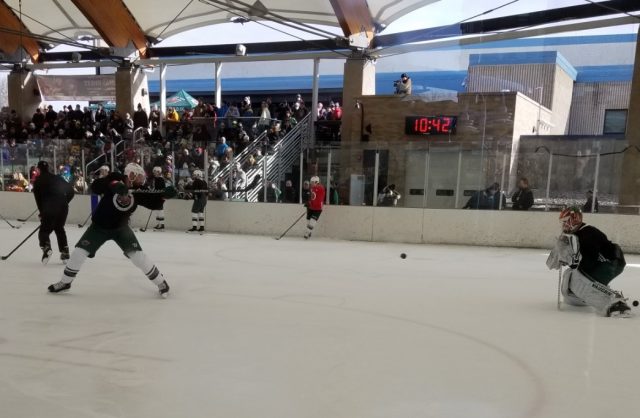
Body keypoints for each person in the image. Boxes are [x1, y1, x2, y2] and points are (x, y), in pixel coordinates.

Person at [47, 163, 176, 297]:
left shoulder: (139, 190)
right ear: (131, 175)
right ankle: (65, 282)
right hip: (99, 227)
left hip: (121, 229)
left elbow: (153, 203)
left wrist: (164, 196)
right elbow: (96, 186)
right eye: (139, 176)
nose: (141, 180)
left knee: (138, 257)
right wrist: (113, 184)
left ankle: (161, 283)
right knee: (79, 253)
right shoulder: (114, 178)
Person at [546, 207, 630, 317]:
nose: (564, 225)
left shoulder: (588, 234)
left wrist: (572, 262)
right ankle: (582, 296)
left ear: (575, 220)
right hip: (606, 262)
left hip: (611, 263)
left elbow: (589, 262)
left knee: (579, 281)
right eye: (563, 222)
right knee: (572, 275)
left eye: (566, 221)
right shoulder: (578, 233)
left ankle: (616, 304)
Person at [33, 160, 75, 264]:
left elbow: (38, 200)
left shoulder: (38, 181)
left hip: (49, 208)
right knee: (59, 228)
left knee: (44, 231)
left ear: (38, 169)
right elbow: (71, 191)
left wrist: (42, 212)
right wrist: (64, 202)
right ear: (48, 168)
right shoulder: (57, 178)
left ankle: (46, 247)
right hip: (63, 207)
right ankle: (65, 252)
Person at [149, 166, 167, 230]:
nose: (154, 173)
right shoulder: (155, 179)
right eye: (154, 172)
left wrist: (160, 194)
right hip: (157, 196)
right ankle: (158, 224)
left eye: (155, 172)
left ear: (159, 172)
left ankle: (162, 224)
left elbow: (162, 189)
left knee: (160, 209)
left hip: (160, 197)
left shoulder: (161, 179)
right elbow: (155, 188)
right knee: (157, 209)